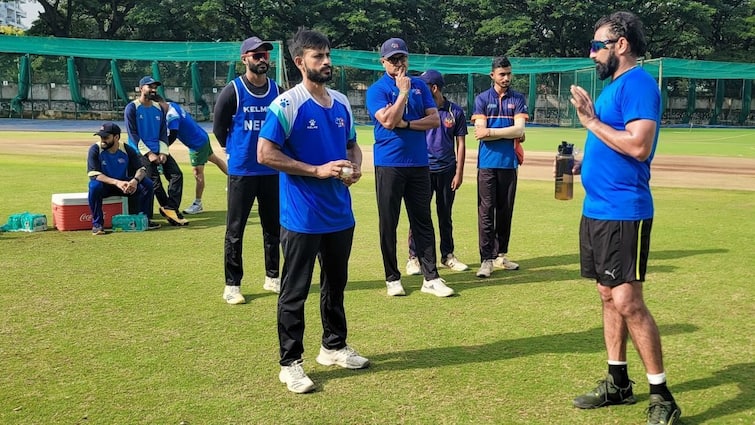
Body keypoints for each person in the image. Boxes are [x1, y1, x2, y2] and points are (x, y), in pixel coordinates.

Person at [568, 11, 681, 425]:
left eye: (598, 45)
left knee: (628, 300)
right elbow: (610, 142)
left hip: (623, 211)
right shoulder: (614, 87)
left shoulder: (638, 84)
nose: (592, 53)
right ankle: (618, 382)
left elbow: (638, 146)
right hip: (596, 209)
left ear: (621, 45)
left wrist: (592, 122)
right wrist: (584, 160)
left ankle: (662, 396)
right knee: (606, 294)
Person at [257, 27, 369, 394]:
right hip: (302, 216)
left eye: (327, 54)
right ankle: (290, 363)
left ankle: (333, 347)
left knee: (335, 285)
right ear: (298, 61)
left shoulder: (340, 101)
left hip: (340, 214)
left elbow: (352, 145)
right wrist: (316, 170)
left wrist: (355, 167)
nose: (326, 62)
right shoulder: (286, 104)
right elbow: (265, 153)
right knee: (295, 291)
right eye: (318, 56)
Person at [365, 37, 453, 298]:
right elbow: (389, 121)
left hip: (418, 163)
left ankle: (431, 277)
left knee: (423, 221)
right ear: (383, 62)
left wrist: (407, 124)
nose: (398, 63)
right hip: (389, 164)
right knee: (388, 222)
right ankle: (392, 277)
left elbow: (434, 119)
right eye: (393, 59)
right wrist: (402, 93)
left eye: (402, 58)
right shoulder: (377, 90)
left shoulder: (420, 86)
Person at [213, 36, 283, 304]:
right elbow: (219, 129)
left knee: (273, 228)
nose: (262, 59)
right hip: (242, 171)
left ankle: (273, 277)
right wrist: (236, 150)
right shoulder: (233, 91)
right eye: (256, 55)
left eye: (265, 55)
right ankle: (232, 284)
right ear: (245, 59)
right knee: (235, 230)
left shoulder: (277, 91)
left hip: (272, 170)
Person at [405, 70, 469, 275]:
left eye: (423, 86)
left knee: (445, 214)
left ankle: (447, 255)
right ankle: (414, 257)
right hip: (422, 170)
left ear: (434, 88)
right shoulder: (419, 110)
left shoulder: (455, 112)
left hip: (447, 170)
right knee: (419, 215)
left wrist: (459, 172)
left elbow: (460, 144)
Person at [471, 56, 528, 278]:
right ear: (492, 75)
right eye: (502, 74)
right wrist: (507, 131)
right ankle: (486, 259)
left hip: (509, 163)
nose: (506, 78)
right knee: (486, 212)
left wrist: (492, 132)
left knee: (505, 211)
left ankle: (500, 255)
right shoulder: (482, 99)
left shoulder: (518, 99)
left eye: (509, 74)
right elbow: (479, 132)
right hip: (487, 164)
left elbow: (519, 130)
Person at [124, 76, 188, 226]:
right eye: (149, 87)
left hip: (158, 149)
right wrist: (149, 154)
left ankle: (170, 207)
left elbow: (162, 132)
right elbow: (133, 134)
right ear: (141, 89)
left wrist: (163, 152)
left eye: (155, 87)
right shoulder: (132, 107)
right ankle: (171, 214)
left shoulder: (158, 108)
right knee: (154, 182)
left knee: (176, 175)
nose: (153, 90)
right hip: (139, 151)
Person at [153, 95, 228, 215]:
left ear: (159, 104)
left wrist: (161, 150)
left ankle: (198, 204)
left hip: (197, 144)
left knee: (197, 173)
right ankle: (234, 178)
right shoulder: (171, 105)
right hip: (201, 137)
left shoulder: (172, 116)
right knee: (215, 159)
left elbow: (172, 136)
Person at [87, 122, 159, 234]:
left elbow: (141, 170)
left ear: (116, 137)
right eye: (101, 137)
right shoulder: (95, 149)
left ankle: (145, 219)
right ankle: (97, 224)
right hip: (106, 186)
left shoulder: (127, 149)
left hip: (124, 186)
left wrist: (134, 181)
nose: (102, 140)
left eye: (106, 137)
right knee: (94, 186)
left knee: (147, 184)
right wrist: (116, 182)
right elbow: (95, 174)